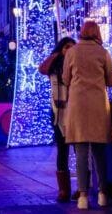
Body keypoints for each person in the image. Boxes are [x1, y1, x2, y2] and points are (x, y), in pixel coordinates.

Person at [63, 21, 112, 210]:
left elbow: (65, 79)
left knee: (81, 153)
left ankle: (83, 197)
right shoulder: (103, 53)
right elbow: (111, 80)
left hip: (78, 106)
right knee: (99, 152)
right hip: (97, 106)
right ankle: (102, 194)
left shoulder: (72, 52)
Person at [39, 36, 77, 202]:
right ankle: (64, 190)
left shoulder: (77, 64)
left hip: (76, 109)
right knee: (62, 149)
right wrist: (55, 54)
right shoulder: (54, 66)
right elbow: (42, 68)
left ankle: (83, 188)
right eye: (66, 46)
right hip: (58, 111)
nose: (69, 49)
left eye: (72, 46)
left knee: (80, 149)